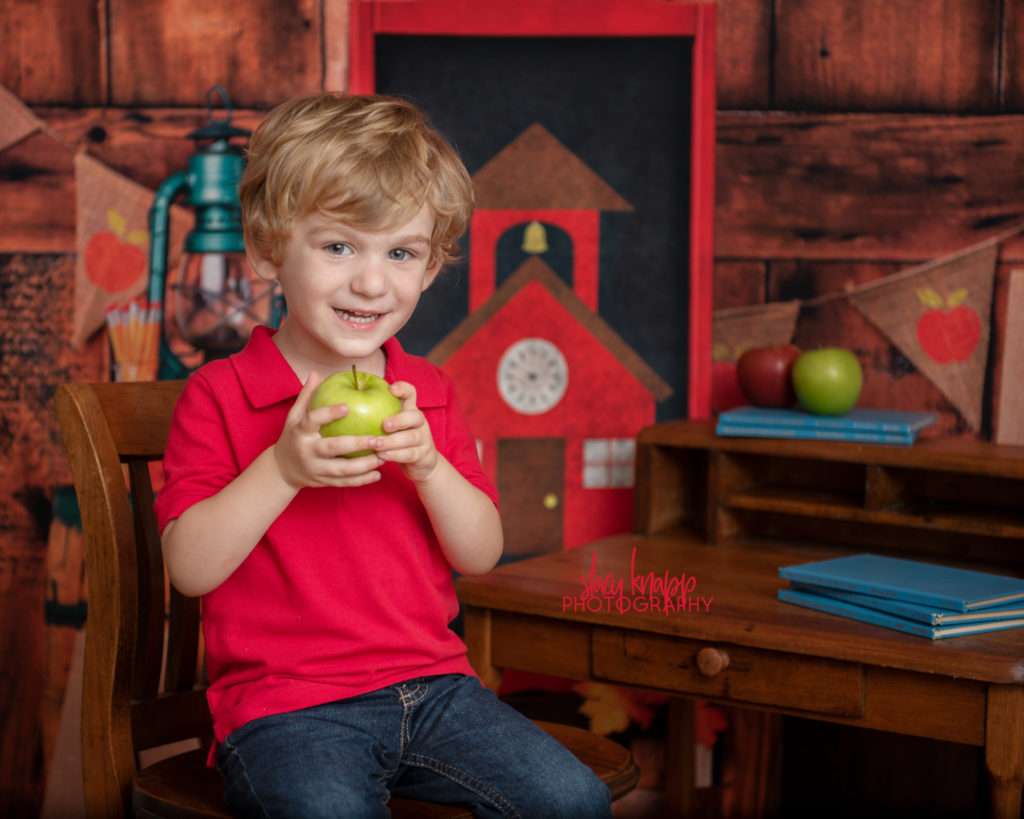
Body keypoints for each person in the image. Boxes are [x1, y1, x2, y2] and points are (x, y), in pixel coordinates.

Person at [154, 93, 613, 819]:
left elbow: (482, 551)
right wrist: (282, 468)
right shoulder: (221, 394)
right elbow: (189, 565)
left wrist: (431, 468)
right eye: (339, 246)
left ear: (430, 267)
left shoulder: (424, 393)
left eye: (400, 252)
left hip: (435, 689)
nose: (372, 282)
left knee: (571, 798)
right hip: (288, 707)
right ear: (269, 249)